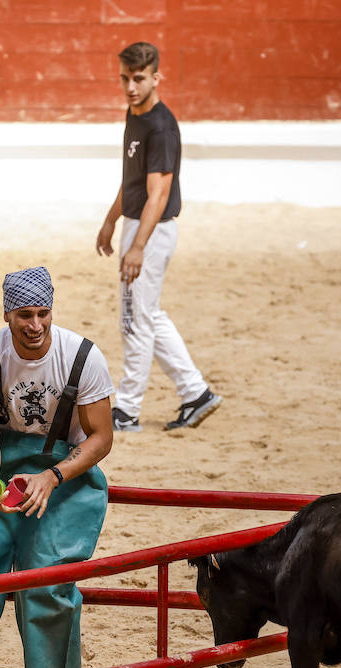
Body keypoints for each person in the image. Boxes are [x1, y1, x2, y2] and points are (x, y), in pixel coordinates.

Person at [0, 267, 114, 668]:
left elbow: (101, 438)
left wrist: (52, 476)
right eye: (24, 314)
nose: (35, 325)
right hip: (5, 466)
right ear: (7, 313)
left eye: (43, 313)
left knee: (48, 576)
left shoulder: (83, 357)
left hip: (64, 473)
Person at [96, 40, 221, 434]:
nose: (130, 86)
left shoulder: (162, 127)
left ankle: (128, 411)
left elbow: (159, 193)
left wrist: (137, 246)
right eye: (124, 78)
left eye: (138, 79)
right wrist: (110, 219)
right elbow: (131, 181)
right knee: (147, 315)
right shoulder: (134, 114)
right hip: (137, 223)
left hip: (151, 230)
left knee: (133, 320)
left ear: (155, 77)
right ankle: (195, 393)